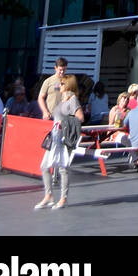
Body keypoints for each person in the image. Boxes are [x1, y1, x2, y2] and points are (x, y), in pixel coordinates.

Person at [35, 73, 84, 210]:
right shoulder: (63, 99)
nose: (59, 85)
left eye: (62, 84)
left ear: (68, 85)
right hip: (55, 136)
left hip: (63, 137)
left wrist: (65, 122)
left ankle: (63, 198)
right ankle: (48, 195)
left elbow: (80, 117)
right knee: (44, 166)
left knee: (63, 168)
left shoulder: (72, 100)